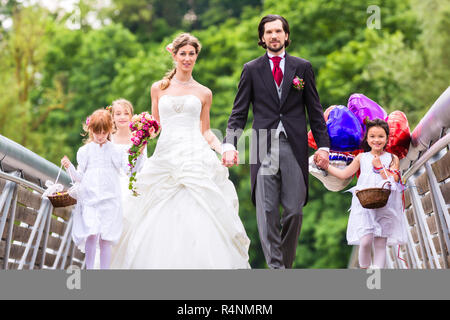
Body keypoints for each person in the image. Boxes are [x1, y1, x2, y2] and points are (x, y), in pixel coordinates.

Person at [110, 33, 250, 269]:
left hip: (195, 156)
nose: (187, 58)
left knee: (200, 211)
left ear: (196, 56)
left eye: (191, 54)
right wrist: (140, 136)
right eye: (182, 54)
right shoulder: (158, 89)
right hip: (165, 156)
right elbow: (155, 126)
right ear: (174, 55)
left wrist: (223, 148)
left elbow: (205, 132)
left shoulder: (204, 93)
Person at [222, 14, 330, 269]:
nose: (273, 36)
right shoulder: (251, 69)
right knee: (267, 211)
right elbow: (239, 112)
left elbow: (315, 110)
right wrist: (229, 144)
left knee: (294, 210)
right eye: (268, 32)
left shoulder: (302, 67)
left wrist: (324, 147)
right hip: (262, 145)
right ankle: (276, 270)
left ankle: (285, 268)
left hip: (294, 145)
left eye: (278, 31)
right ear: (262, 38)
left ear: (286, 35)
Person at [61, 109, 143, 269]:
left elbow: (128, 170)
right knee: (91, 234)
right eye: (97, 132)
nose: (100, 136)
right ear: (90, 130)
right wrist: (69, 167)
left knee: (106, 239)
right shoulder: (85, 152)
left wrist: (137, 154)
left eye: (104, 132)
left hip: (110, 199)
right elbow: (79, 178)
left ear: (109, 130)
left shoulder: (116, 150)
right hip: (90, 199)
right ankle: (90, 269)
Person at [326, 118, 408, 268]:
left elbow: (394, 179)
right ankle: (365, 270)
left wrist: (379, 168)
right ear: (367, 138)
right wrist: (326, 167)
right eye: (372, 136)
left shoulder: (392, 158)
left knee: (380, 243)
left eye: (381, 136)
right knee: (365, 242)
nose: (376, 140)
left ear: (387, 138)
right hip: (364, 204)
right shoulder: (361, 157)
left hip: (385, 205)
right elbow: (345, 174)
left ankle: (375, 279)